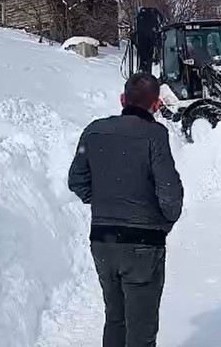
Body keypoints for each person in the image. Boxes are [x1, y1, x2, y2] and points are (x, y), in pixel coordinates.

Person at [68, 72, 184, 347]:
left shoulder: (93, 131)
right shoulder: (155, 135)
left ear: (122, 99)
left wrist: (105, 202)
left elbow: (76, 181)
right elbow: (171, 194)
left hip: (103, 243)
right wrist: (162, 221)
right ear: (156, 104)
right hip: (143, 246)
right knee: (141, 331)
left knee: (115, 319)